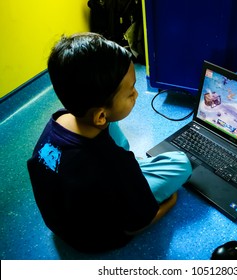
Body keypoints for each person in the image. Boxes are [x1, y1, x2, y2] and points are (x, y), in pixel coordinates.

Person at [27, 32, 192, 253]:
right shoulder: (113, 164)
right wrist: (168, 204)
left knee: (112, 135)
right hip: (98, 239)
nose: (136, 94)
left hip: (64, 220)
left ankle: (134, 172)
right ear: (100, 117)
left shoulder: (61, 118)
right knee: (181, 163)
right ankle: (137, 174)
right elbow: (135, 225)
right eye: (130, 91)